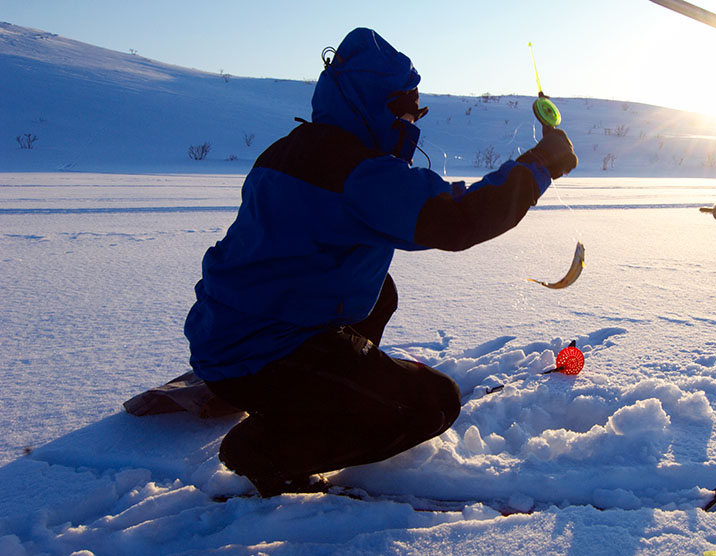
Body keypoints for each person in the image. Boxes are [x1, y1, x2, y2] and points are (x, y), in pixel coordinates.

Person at [183, 28, 577, 497]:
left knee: (377, 288)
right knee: (433, 405)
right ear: (381, 106)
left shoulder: (295, 149)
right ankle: (267, 447)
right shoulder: (354, 172)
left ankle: (320, 387)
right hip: (255, 353)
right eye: (410, 110)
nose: (414, 121)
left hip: (228, 328)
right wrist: (539, 165)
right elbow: (456, 220)